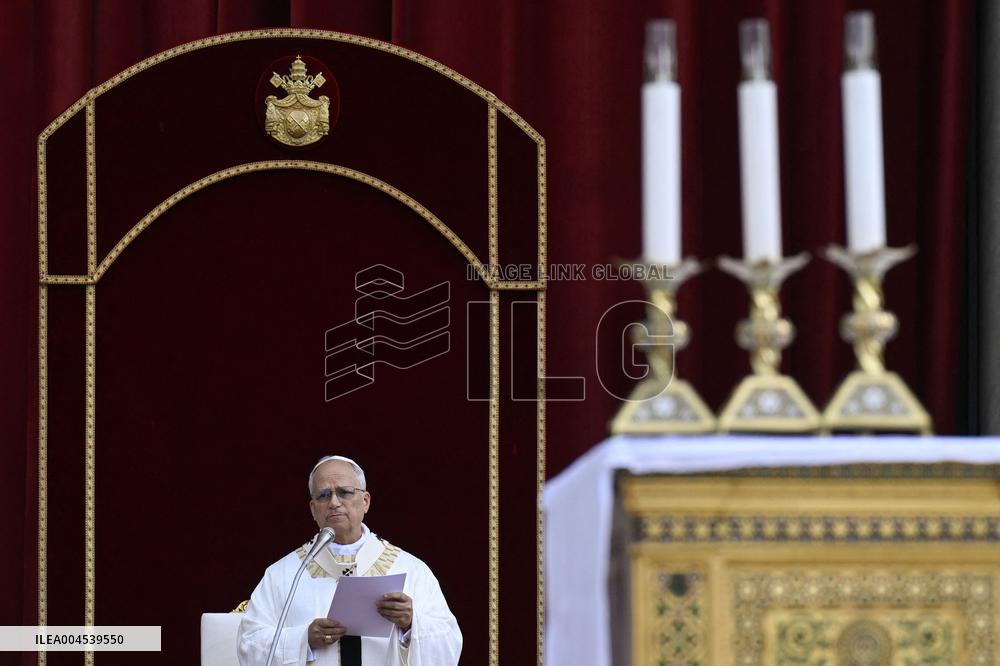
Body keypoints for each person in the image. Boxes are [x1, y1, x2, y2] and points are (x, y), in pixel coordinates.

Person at [238, 455, 462, 665]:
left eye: (344, 492)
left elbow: (450, 642)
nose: (334, 502)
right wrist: (304, 639)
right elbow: (248, 644)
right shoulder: (286, 574)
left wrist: (412, 623)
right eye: (324, 495)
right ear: (313, 509)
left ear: (365, 501)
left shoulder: (410, 569)